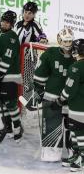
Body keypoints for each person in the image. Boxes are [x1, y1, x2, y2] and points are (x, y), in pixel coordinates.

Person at [33, 28, 75, 162]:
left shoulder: (78, 55)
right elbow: (40, 74)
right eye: (65, 40)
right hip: (52, 97)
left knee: (73, 127)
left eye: (70, 41)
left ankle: (73, 152)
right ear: (59, 40)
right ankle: (51, 152)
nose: (68, 44)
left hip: (72, 100)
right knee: (51, 125)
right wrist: (38, 89)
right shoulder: (50, 53)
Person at [0, 10, 23, 143]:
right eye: (3, 21)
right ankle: (7, 127)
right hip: (0, 75)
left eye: (7, 22)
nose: (4, 24)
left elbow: (8, 57)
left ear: (12, 24)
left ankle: (17, 128)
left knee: (11, 104)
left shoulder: (12, 37)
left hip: (10, 76)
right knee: (2, 103)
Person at [55, 38, 84, 171]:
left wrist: (60, 99)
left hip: (78, 106)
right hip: (78, 105)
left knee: (78, 132)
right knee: (74, 130)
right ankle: (77, 155)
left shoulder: (76, 67)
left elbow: (69, 88)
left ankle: (82, 159)